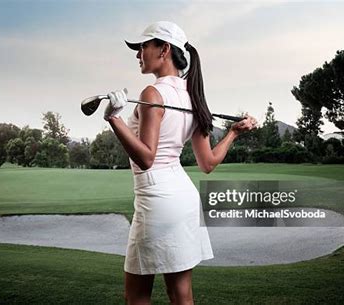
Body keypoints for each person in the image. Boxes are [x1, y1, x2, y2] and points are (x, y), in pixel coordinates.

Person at [104, 21, 257, 305]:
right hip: (183, 198)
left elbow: (147, 158)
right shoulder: (192, 95)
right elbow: (208, 163)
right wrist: (234, 133)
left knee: (136, 297)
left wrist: (113, 118)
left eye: (143, 47)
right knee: (181, 295)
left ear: (164, 49)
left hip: (157, 199)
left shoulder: (153, 93)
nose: (138, 54)